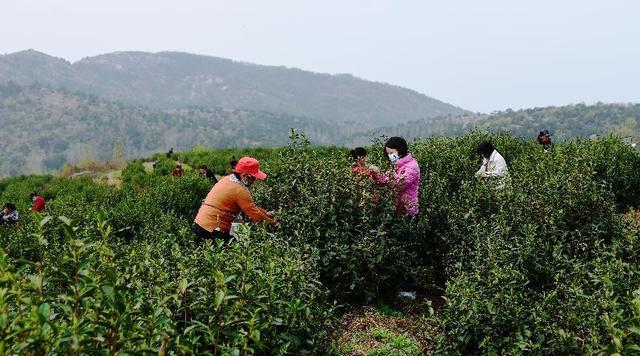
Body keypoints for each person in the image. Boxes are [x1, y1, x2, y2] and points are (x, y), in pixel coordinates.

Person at [193, 157, 274, 244]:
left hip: (199, 225)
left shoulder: (227, 179)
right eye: (253, 178)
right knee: (237, 252)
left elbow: (250, 207)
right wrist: (274, 224)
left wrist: (266, 213)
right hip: (210, 230)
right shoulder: (240, 191)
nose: (254, 181)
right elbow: (256, 215)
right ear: (245, 176)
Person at [371, 137, 421, 216]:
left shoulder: (411, 166)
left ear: (400, 150)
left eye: (391, 153)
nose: (390, 156)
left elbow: (398, 185)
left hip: (407, 211)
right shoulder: (397, 166)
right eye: (388, 154)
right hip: (397, 209)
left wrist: (380, 174)